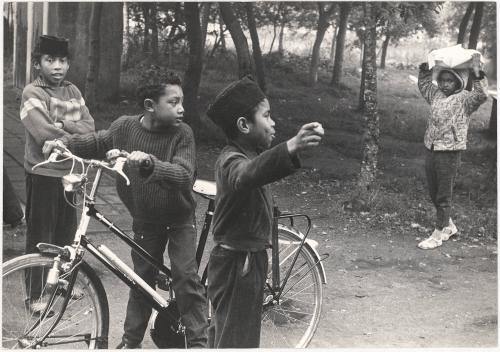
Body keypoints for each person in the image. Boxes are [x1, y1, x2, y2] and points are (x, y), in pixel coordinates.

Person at [43, 70, 208, 349]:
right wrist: (65, 143)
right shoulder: (125, 127)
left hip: (179, 218)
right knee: (140, 281)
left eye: (182, 102)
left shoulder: (183, 134)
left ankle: (198, 343)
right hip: (145, 219)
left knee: (185, 279)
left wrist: (149, 163)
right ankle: (130, 343)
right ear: (149, 106)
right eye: (174, 102)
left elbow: (183, 173)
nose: (182, 109)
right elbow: (99, 141)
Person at [205, 75, 324, 348]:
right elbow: (246, 176)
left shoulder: (249, 157)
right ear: (244, 125)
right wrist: (291, 146)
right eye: (267, 116)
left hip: (246, 262)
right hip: (237, 265)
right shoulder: (231, 161)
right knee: (235, 341)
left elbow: (257, 171)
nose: (273, 124)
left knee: (230, 336)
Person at [20, 35, 95, 313]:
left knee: (67, 232)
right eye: (50, 60)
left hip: (70, 172)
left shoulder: (74, 92)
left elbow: (91, 126)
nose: (57, 67)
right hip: (43, 172)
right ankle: (36, 294)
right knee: (41, 233)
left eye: (63, 60)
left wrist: (63, 123)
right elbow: (43, 131)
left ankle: (63, 281)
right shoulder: (33, 93)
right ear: (37, 63)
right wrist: (73, 131)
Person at [417, 53, 488, 250]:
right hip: (431, 147)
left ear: (459, 82)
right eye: (443, 80)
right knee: (433, 190)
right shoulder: (436, 95)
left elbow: (481, 95)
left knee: (443, 194)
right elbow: (423, 85)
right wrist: (426, 66)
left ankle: (438, 234)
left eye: (450, 80)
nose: (445, 84)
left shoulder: (465, 99)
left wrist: (477, 73)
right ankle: (448, 225)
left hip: (450, 151)